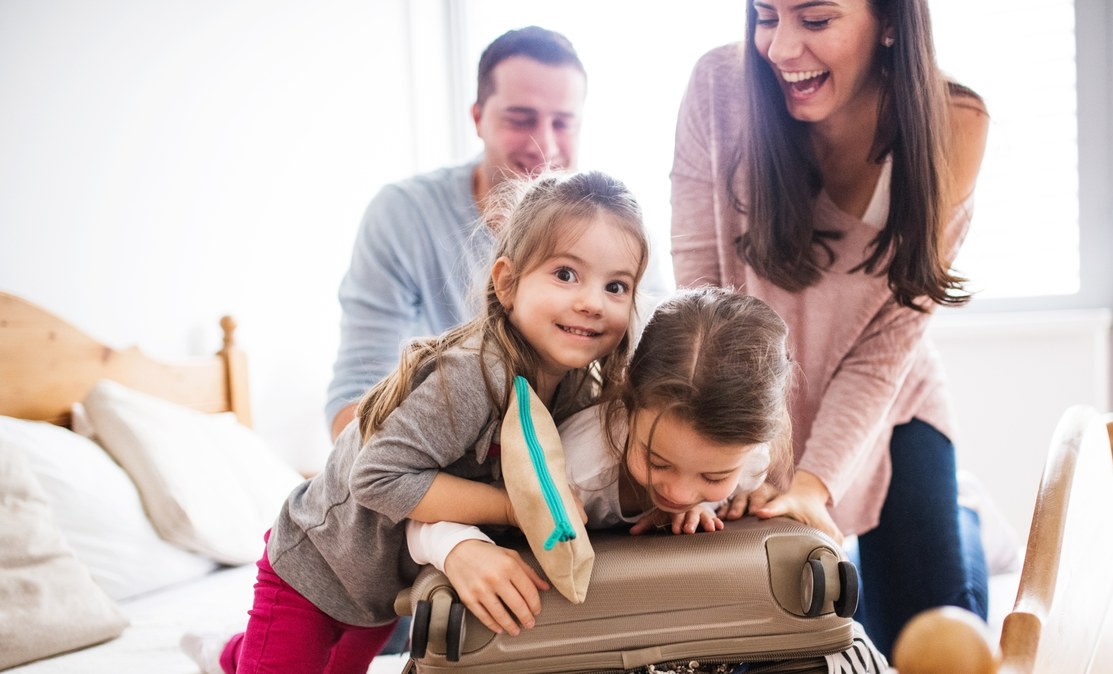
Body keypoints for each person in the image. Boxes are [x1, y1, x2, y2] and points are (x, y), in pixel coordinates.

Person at [181, 170, 649, 674]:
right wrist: (514, 508)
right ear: (508, 283)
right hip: (314, 565)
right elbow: (377, 477)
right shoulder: (475, 372)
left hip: (379, 589)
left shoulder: (580, 384)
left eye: (616, 285)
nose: (592, 302)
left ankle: (232, 652)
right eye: (565, 274)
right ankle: (228, 654)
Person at [669, 0, 991, 658]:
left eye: (816, 21)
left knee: (933, 635)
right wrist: (739, 453)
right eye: (765, 15)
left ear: (892, 22)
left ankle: (967, 516)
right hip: (754, 398)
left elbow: (884, 352)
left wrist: (813, 485)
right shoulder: (720, 89)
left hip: (890, 406)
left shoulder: (952, 125)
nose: (782, 48)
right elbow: (702, 295)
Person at [406, 286, 790, 633]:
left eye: (713, 475)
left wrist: (718, 502)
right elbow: (421, 514)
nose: (680, 491)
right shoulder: (577, 466)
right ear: (627, 401)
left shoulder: (751, 459)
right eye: (658, 462)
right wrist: (457, 548)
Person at [325, 25, 589, 442]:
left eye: (563, 122)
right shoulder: (403, 216)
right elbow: (354, 407)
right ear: (478, 119)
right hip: (437, 468)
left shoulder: (611, 225)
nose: (544, 144)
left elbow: (654, 362)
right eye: (521, 119)